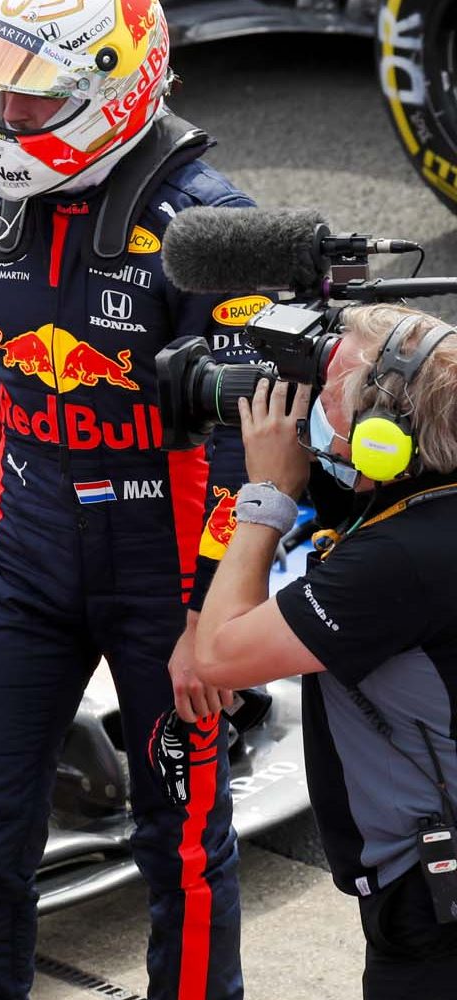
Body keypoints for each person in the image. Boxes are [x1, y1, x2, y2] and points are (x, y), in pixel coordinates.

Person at [0, 1, 255, 997]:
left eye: (30, 86)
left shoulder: (215, 231)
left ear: (112, 88)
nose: (2, 108)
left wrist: (218, 616)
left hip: (169, 588)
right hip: (24, 565)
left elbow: (259, 451)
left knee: (186, 847)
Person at [196, 303, 457, 996]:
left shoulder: (399, 564)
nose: (304, 412)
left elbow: (218, 655)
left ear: (382, 438)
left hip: (435, 917)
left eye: (324, 392)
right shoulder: (429, 515)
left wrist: (268, 493)